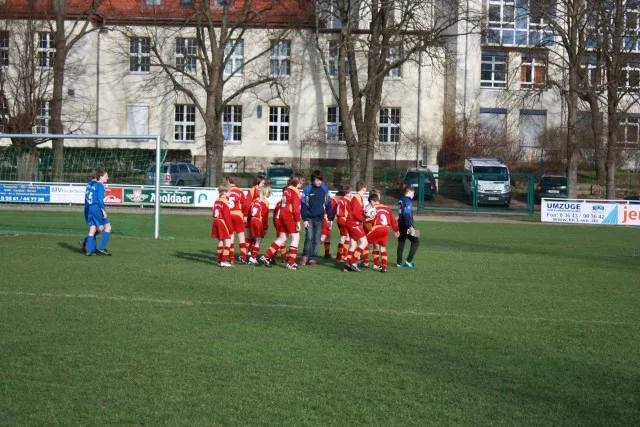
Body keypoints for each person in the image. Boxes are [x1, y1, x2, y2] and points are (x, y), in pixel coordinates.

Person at [260, 172, 305, 269]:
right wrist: (298, 222)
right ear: (298, 181)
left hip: (283, 215)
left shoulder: (287, 190)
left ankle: (266, 256)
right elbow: (296, 209)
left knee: (282, 238)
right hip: (290, 216)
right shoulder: (295, 191)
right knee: (296, 237)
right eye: (301, 182)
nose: (302, 184)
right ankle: (291, 262)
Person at [300, 170, 333, 267]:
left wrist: (330, 218)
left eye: (320, 180)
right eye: (317, 180)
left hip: (320, 218)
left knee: (317, 240)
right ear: (313, 180)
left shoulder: (325, 190)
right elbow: (303, 205)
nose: (319, 182)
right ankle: (304, 256)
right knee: (309, 237)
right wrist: (305, 219)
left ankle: (313, 259)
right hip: (309, 218)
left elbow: (328, 204)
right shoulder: (307, 190)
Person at [366, 193, 399, 273]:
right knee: (383, 248)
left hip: (377, 227)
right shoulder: (386, 208)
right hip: (386, 228)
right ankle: (384, 267)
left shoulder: (373, 208)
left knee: (364, 242)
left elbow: (370, 220)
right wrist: (396, 230)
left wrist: (367, 226)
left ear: (372, 201)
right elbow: (393, 220)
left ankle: (365, 262)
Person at [82, 168, 112, 256]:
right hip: (96, 208)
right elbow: (100, 200)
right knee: (105, 227)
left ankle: (89, 250)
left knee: (93, 228)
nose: (108, 178)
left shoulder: (90, 184)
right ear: (101, 176)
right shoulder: (100, 185)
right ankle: (101, 248)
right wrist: (103, 210)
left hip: (88, 208)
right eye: (106, 176)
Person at [344, 180, 368, 272]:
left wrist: (365, 214)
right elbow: (356, 213)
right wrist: (365, 218)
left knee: (353, 245)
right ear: (363, 189)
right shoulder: (357, 197)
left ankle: (347, 265)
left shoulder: (357, 197)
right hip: (354, 223)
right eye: (365, 190)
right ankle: (353, 262)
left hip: (351, 223)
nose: (365, 191)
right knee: (364, 242)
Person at [247, 185, 271, 264]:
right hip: (258, 221)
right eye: (269, 193)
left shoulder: (255, 200)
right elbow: (265, 216)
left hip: (252, 220)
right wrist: (265, 227)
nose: (270, 194)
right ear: (266, 193)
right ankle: (253, 257)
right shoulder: (265, 202)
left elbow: (250, 211)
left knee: (255, 239)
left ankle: (250, 253)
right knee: (258, 241)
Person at [397, 185, 420, 268]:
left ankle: (399, 263)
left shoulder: (401, 199)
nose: (414, 194)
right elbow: (406, 215)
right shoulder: (408, 201)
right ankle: (408, 261)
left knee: (401, 243)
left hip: (400, 224)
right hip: (407, 225)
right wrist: (410, 227)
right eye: (413, 192)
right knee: (416, 241)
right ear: (409, 192)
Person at [226, 174, 247, 263]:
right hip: (238, 214)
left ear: (228, 181)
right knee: (241, 235)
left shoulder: (226, 191)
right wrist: (245, 215)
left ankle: (231, 258)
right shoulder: (239, 191)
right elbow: (245, 204)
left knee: (231, 236)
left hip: (228, 215)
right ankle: (243, 257)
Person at [212, 183, 233, 267]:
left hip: (216, 221)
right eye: (229, 192)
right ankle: (223, 261)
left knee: (220, 241)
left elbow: (214, 212)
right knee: (228, 242)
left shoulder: (217, 200)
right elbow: (227, 216)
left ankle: (219, 261)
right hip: (222, 222)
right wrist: (230, 228)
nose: (230, 193)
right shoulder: (225, 201)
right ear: (224, 192)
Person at [243, 173, 266, 250]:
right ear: (258, 182)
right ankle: (245, 253)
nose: (263, 185)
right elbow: (246, 204)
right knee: (249, 236)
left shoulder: (259, 191)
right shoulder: (253, 190)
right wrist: (245, 215)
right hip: (250, 216)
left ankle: (249, 252)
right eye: (262, 183)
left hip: (255, 216)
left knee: (254, 236)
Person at [270, 189, 289, 264]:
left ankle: (283, 258)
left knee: (281, 239)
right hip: (280, 222)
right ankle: (271, 257)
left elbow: (275, 214)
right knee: (281, 240)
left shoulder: (279, 202)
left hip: (277, 221)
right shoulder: (285, 203)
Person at [334, 188, 351, 262]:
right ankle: (341, 256)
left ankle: (341, 256)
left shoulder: (341, 200)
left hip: (339, 219)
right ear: (348, 193)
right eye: (350, 193)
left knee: (345, 237)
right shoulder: (348, 200)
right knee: (345, 238)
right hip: (344, 219)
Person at [320, 194, 339, 259]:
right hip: (326, 219)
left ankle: (327, 254)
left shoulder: (335, 201)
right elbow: (329, 212)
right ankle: (310, 252)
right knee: (323, 236)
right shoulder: (333, 201)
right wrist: (329, 221)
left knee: (327, 236)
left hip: (327, 219)